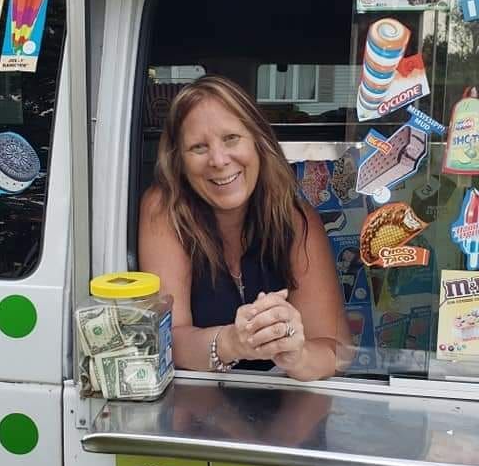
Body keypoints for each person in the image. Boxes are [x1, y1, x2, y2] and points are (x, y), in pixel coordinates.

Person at [138, 76, 351, 381]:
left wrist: (296, 354)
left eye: (231, 138)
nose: (219, 160)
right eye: (198, 147)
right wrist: (234, 343)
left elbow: (336, 350)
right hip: (196, 408)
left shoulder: (296, 218)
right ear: (179, 161)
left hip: (284, 409)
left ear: (258, 141)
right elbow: (169, 340)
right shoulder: (164, 208)